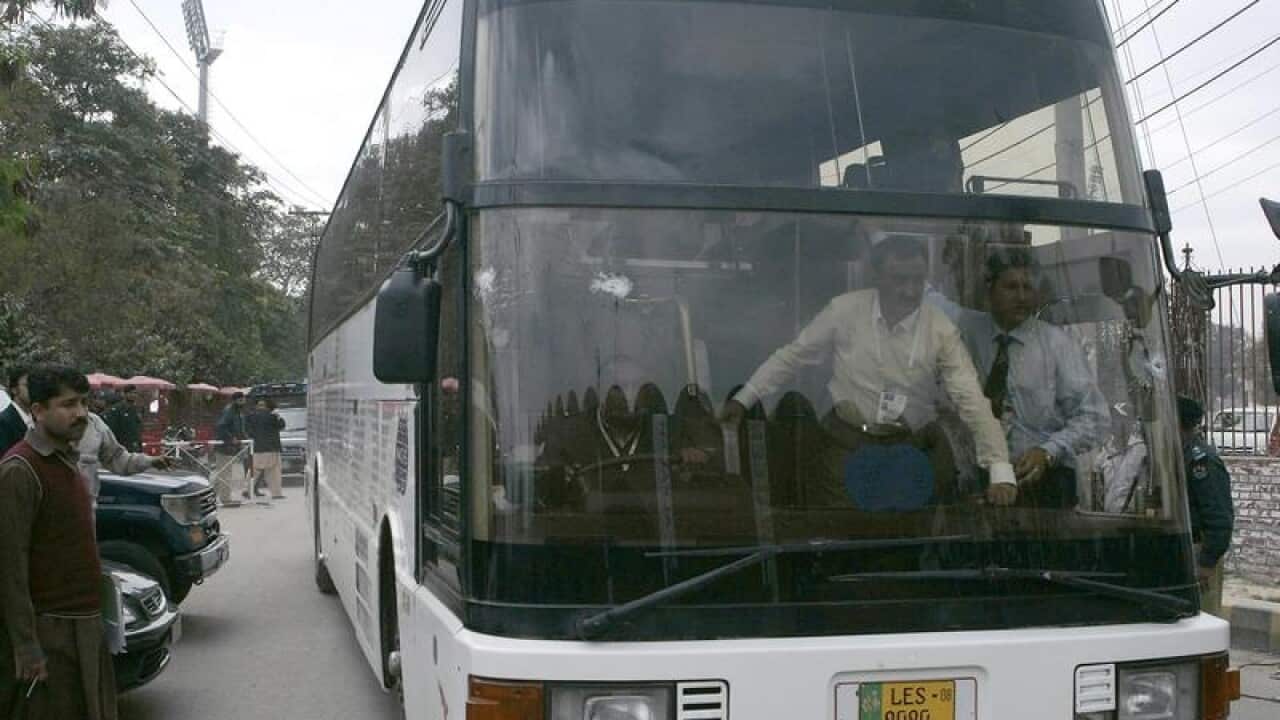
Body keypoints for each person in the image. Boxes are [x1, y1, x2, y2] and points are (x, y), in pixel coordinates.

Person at [722, 231, 1017, 507]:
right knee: (844, 541)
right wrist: (744, 398)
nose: (910, 291)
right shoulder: (843, 311)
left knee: (909, 545)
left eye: (917, 280)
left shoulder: (941, 329)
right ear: (876, 277)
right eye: (899, 279)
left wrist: (1000, 470)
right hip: (844, 448)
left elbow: (971, 399)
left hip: (910, 452)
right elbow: (792, 357)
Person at [947, 248, 1108, 507]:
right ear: (990, 291)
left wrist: (1048, 452)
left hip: (1044, 484)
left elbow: (1095, 418)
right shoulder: (966, 331)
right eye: (1011, 287)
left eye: (1028, 287)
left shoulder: (1059, 345)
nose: (1021, 296)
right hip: (980, 479)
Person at [0, 365, 117, 720]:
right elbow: (10, 567)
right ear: (37, 411)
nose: (80, 413)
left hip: (86, 626)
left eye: (83, 402)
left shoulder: (68, 460)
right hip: (51, 634)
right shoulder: (20, 470)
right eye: (68, 404)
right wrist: (26, 646)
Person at [1178, 396, 1234, 616]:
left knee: (1203, 616)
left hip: (1201, 551)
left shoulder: (1202, 461)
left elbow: (1219, 516)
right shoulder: (1181, 454)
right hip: (1186, 548)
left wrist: (1207, 562)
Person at [77, 411, 170, 504]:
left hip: (83, 512)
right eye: (69, 404)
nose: (80, 410)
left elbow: (118, 458)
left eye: (84, 402)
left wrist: (150, 461)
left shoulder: (94, 424)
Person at [212, 392, 249, 507]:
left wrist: (244, 439)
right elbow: (221, 427)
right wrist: (231, 438)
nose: (243, 402)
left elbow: (239, 429)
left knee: (222, 473)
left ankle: (209, 497)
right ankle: (226, 499)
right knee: (225, 474)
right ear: (235, 401)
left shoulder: (237, 412)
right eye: (241, 400)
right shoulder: (229, 411)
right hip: (225, 447)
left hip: (231, 447)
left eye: (243, 400)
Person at [245, 398, 286, 500]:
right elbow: (282, 426)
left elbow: (248, 430)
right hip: (272, 448)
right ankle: (276, 493)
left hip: (257, 447)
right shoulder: (272, 416)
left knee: (254, 470)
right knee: (274, 472)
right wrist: (278, 416)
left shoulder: (251, 416)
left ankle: (247, 490)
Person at [0, 365, 32, 456]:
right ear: (14, 390)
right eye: (27, 385)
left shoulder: (37, 417)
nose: (33, 389)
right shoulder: (3, 422)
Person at [102, 385, 143, 453]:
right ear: (124, 394)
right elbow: (112, 430)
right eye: (130, 393)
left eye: (135, 393)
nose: (133, 395)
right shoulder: (117, 409)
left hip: (134, 447)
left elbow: (137, 429)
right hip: (122, 447)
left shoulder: (136, 409)